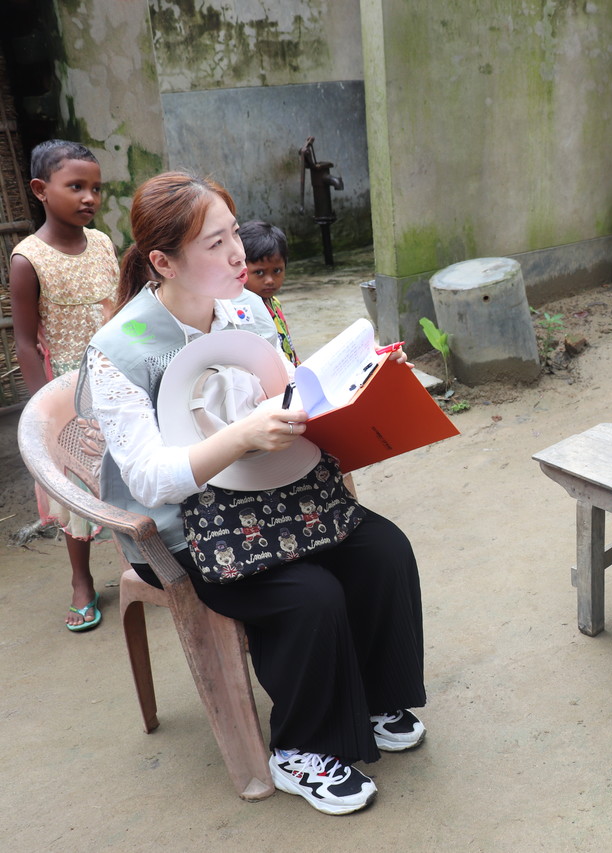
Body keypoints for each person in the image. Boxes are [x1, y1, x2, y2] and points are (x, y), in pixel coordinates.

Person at [81, 171, 426, 816]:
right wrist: (242, 436)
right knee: (311, 594)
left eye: (234, 233)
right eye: (216, 244)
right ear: (163, 261)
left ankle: (379, 698)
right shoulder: (118, 351)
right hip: (185, 528)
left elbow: (284, 389)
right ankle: (299, 750)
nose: (239, 254)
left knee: (384, 549)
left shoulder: (246, 308)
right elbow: (151, 478)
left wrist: (350, 391)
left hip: (277, 494)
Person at [9, 140, 117, 631]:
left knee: (125, 469)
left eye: (96, 188)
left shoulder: (102, 243)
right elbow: (27, 343)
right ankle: (81, 580)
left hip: (115, 377)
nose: (89, 197)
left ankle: (146, 559)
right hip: (66, 389)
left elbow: (117, 310)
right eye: (76, 187)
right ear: (40, 190)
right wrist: (46, 411)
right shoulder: (27, 259)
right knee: (74, 484)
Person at [238, 219, 299, 365]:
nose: (270, 280)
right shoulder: (244, 313)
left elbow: (286, 342)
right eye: (259, 272)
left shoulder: (274, 302)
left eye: (277, 270)